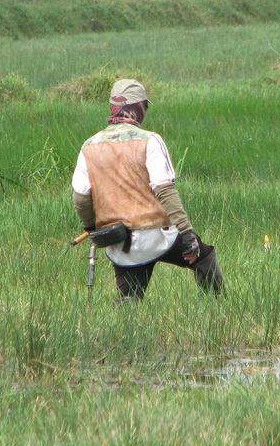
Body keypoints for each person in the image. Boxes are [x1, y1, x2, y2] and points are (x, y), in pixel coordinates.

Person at [71, 79, 223, 303]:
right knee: (205, 257)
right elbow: (164, 189)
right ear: (139, 107)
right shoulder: (151, 140)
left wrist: (91, 228)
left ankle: (126, 307)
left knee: (129, 296)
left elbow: (81, 197)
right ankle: (216, 306)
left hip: (119, 243)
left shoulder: (89, 145)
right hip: (159, 235)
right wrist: (187, 231)